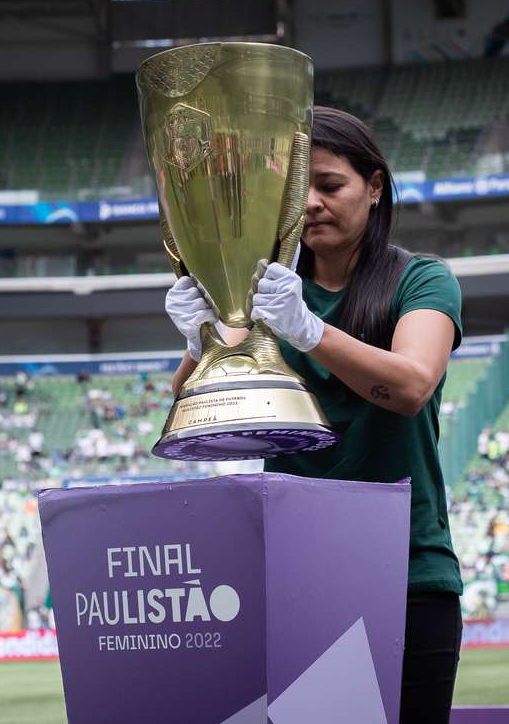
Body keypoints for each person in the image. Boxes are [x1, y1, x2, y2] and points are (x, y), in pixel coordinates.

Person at [166, 106, 463, 724]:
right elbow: (192, 406)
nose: (312, 206)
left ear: (375, 187)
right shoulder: (259, 290)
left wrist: (307, 328)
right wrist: (202, 338)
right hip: (296, 575)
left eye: (330, 186)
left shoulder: (422, 280)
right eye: (294, 194)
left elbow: (411, 386)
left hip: (407, 572)